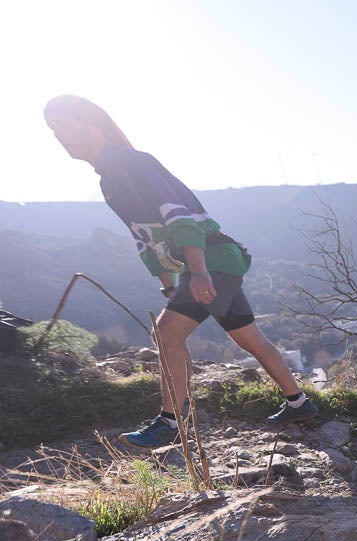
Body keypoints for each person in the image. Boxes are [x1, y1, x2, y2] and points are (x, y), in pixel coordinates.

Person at [43, 95, 317, 449]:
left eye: (63, 125)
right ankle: (299, 403)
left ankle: (170, 422)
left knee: (167, 333)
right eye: (52, 129)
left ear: (92, 124)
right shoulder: (109, 179)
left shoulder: (132, 163)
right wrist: (170, 285)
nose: (59, 135)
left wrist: (199, 272)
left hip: (211, 258)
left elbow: (178, 214)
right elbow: (145, 237)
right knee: (248, 338)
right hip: (211, 260)